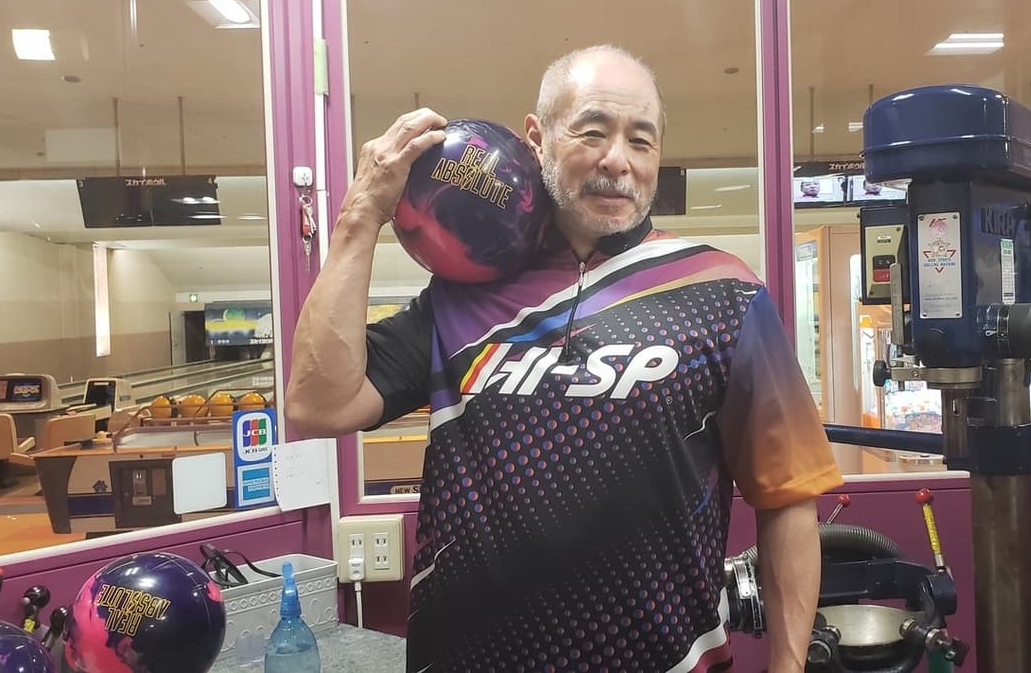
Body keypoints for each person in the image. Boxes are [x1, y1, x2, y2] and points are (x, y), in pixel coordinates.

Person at [285, 44, 844, 672]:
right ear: (537, 139)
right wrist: (361, 213)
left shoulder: (723, 293)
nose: (618, 160)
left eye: (641, 140)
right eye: (593, 132)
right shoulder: (461, 294)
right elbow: (318, 404)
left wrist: (789, 666)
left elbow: (787, 498)